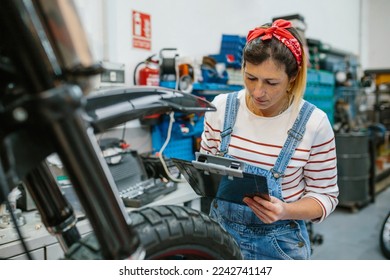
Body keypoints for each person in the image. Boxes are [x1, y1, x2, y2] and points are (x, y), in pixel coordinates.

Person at [199, 19, 339, 260]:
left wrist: (285, 210)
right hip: (220, 235)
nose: (257, 92)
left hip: (279, 245)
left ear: (293, 77)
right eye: (251, 78)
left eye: (271, 82)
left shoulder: (314, 123)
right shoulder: (221, 108)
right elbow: (208, 169)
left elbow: (325, 197)